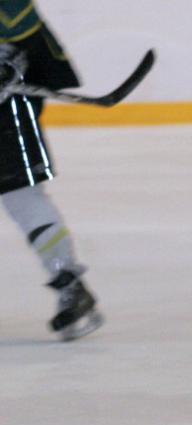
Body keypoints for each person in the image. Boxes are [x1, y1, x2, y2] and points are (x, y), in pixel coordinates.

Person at [0, 1, 102, 340]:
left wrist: (11, 61)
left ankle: (69, 284)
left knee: (23, 198)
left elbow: (26, 34)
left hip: (4, 112)